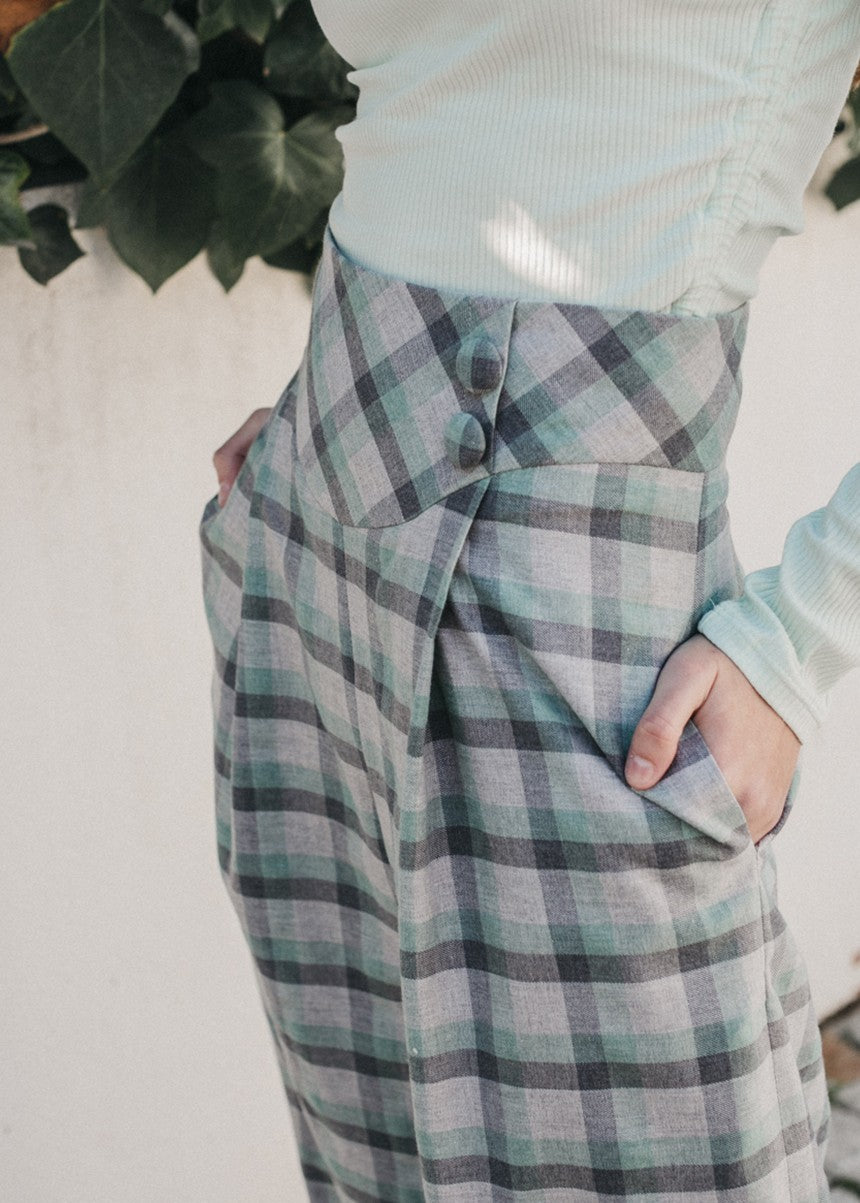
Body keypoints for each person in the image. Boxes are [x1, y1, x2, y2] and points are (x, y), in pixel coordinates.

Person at [199, 4, 860, 1199]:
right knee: (371, 1164)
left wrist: (803, 636)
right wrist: (329, 411)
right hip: (315, 561)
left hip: (576, 612)